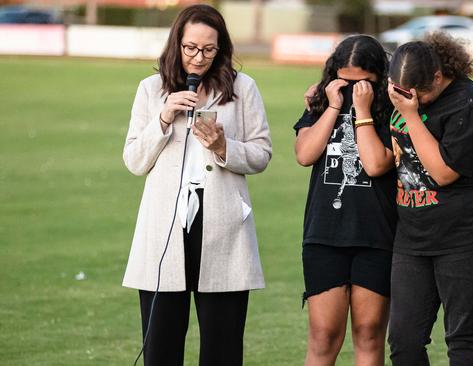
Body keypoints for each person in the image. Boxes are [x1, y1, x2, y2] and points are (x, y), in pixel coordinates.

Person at [121, 5, 272, 366]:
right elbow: (134, 161)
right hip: (164, 230)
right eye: (191, 48)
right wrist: (163, 116)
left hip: (223, 226)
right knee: (160, 348)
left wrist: (223, 147)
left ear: (221, 48)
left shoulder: (243, 88)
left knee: (222, 349)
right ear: (177, 43)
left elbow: (262, 153)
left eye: (208, 49)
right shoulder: (150, 89)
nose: (198, 57)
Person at [385, 31, 473, 366]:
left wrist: (412, 115)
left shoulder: (468, 103)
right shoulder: (402, 90)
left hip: (470, 236)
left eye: (420, 94)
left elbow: (444, 173)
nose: (412, 99)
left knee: (463, 339)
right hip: (413, 237)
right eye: (402, 93)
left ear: (438, 76)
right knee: (403, 340)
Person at [293, 35, 397, 366]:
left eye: (362, 83)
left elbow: (376, 164)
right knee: (323, 335)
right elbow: (305, 154)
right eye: (346, 81)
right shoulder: (322, 102)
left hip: (376, 235)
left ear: (379, 77)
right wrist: (334, 106)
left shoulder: (393, 109)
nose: (353, 90)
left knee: (368, 332)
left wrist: (363, 111)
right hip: (325, 234)